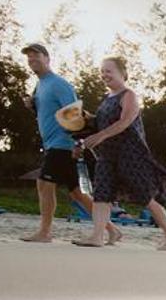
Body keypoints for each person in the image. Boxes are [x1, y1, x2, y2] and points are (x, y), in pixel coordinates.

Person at [71, 56, 166, 250]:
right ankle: (97, 236)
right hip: (107, 155)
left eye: (109, 71)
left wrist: (101, 135)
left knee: (145, 197)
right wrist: (82, 136)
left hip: (130, 155)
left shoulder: (128, 95)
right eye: (102, 71)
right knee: (101, 194)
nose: (104, 74)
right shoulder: (106, 99)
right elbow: (98, 124)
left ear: (122, 73)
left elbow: (125, 121)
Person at [18, 42, 107, 244]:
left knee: (44, 183)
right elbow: (49, 113)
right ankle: (111, 229)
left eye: (36, 55)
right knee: (76, 193)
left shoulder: (59, 84)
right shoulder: (40, 85)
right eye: (29, 56)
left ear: (47, 58)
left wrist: (78, 143)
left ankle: (45, 232)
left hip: (63, 143)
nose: (32, 59)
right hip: (51, 143)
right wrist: (32, 105)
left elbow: (75, 114)